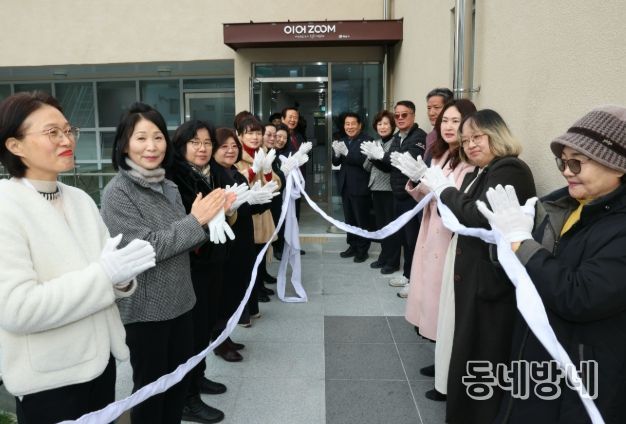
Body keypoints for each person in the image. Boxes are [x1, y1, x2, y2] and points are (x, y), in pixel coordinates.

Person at [0, 92, 155, 424]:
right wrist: (104, 276)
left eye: (68, 130)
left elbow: (107, 271)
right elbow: (17, 308)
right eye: (52, 132)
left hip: (100, 363)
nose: (66, 140)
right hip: (50, 378)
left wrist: (122, 279)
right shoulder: (6, 207)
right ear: (15, 145)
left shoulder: (79, 198)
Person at [478, 106, 626, 424]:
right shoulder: (562, 206)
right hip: (536, 353)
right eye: (562, 161)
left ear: (618, 165)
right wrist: (503, 245)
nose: (566, 171)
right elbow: (533, 274)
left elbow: (580, 296)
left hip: (583, 371)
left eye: (577, 162)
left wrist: (522, 243)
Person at [100, 103, 232, 424]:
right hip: (147, 312)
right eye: (141, 138)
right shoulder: (118, 193)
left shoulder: (168, 185)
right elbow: (146, 248)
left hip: (182, 303)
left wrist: (212, 220)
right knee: (151, 392)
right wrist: (196, 220)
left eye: (158, 137)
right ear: (124, 145)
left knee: (177, 386)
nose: (151, 146)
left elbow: (185, 240)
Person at [420, 109, 536, 424]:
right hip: (472, 267)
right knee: (466, 340)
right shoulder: (483, 170)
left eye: (477, 137)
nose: (470, 145)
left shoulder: (509, 168)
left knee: (483, 347)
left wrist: (446, 191)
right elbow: (457, 213)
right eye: (466, 140)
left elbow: (477, 215)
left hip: (489, 276)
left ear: (496, 134)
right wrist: (448, 195)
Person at [395, 99, 477, 403]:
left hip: (449, 236)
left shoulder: (470, 161)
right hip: (431, 230)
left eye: (456, 121)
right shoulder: (441, 155)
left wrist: (436, 188)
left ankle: (449, 370)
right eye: (445, 121)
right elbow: (426, 197)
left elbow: (455, 202)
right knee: (431, 299)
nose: (449, 127)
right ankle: (441, 358)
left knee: (445, 302)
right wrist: (418, 180)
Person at [167, 120, 235, 422]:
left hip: (212, 261)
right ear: (181, 146)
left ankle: (199, 376)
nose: (202, 148)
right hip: (191, 265)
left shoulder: (211, 173)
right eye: (195, 142)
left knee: (205, 326)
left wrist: (228, 212)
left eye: (207, 142)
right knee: (191, 334)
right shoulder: (175, 178)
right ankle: (187, 398)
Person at [211, 127, 275, 328]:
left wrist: (261, 200)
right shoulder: (213, 175)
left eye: (234, 146)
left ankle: (246, 312)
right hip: (228, 240)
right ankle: (232, 325)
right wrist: (229, 210)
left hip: (244, 236)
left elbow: (248, 206)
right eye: (224, 146)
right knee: (232, 283)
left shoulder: (235, 174)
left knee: (245, 275)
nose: (230, 150)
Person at [361, 100, 428, 288]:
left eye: (404, 115)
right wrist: (375, 157)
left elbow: (406, 161)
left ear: (413, 115)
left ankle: (411, 278)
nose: (400, 118)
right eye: (397, 115)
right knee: (402, 237)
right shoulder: (399, 137)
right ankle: (407, 275)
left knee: (411, 238)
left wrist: (381, 156)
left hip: (410, 196)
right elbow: (389, 166)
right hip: (398, 194)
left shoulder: (418, 137)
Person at [235, 116, 281, 303]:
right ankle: (254, 292)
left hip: (264, 212)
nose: (255, 137)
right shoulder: (236, 155)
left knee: (262, 251)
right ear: (240, 135)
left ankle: (260, 284)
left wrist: (268, 171)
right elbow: (235, 182)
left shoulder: (261, 152)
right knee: (250, 256)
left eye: (258, 133)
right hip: (248, 214)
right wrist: (253, 170)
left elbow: (276, 184)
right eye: (249, 133)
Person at [363, 110, 401, 274]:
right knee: (381, 226)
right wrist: (371, 156)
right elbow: (366, 166)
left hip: (389, 190)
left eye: (386, 123)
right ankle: (384, 256)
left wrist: (376, 157)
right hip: (376, 188)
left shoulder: (395, 142)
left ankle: (393, 262)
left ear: (392, 126)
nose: (382, 127)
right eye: (379, 124)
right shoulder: (376, 142)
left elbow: (388, 167)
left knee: (391, 227)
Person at [332, 112, 373, 263]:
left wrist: (347, 153)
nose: (349, 127)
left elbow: (362, 161)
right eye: (347, 124)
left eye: (352, 124)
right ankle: (352, 245)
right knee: (349, 219)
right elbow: (336, 163)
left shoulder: (367, 140)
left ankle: (363, 250)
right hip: (345, 186)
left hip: (360, 186)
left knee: (362, 220)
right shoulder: (342, 140)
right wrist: (337, 154)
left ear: (359, 125)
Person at [424, 88, 454, 161]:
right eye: (429, 108)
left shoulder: (452, 135)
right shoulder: (431, 136)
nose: (431, 113)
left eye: (436, 107)